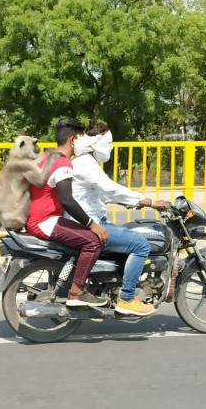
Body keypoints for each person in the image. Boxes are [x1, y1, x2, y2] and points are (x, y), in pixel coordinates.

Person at [71, 121, 169, 316]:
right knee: (141, 245)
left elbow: (104, 194)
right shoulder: (86, 163)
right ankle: (126, 298)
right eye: (108, 144)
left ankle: (116, 286)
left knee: (128, 233)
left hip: (88, 220)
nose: (110, 148)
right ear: (98, 144)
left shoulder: (83, 162)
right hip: (90, 224)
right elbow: (110, 189)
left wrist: (135, 202)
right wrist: (149, 201)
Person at [25, 117, 110, 307]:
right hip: (45, 221)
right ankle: (77, 293)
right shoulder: (63, 164)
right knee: (94, 241)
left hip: (41, 219)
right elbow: (67, 201)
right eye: (81, 138)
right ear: (73, 140)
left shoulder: (47, 157)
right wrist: (94, 225)